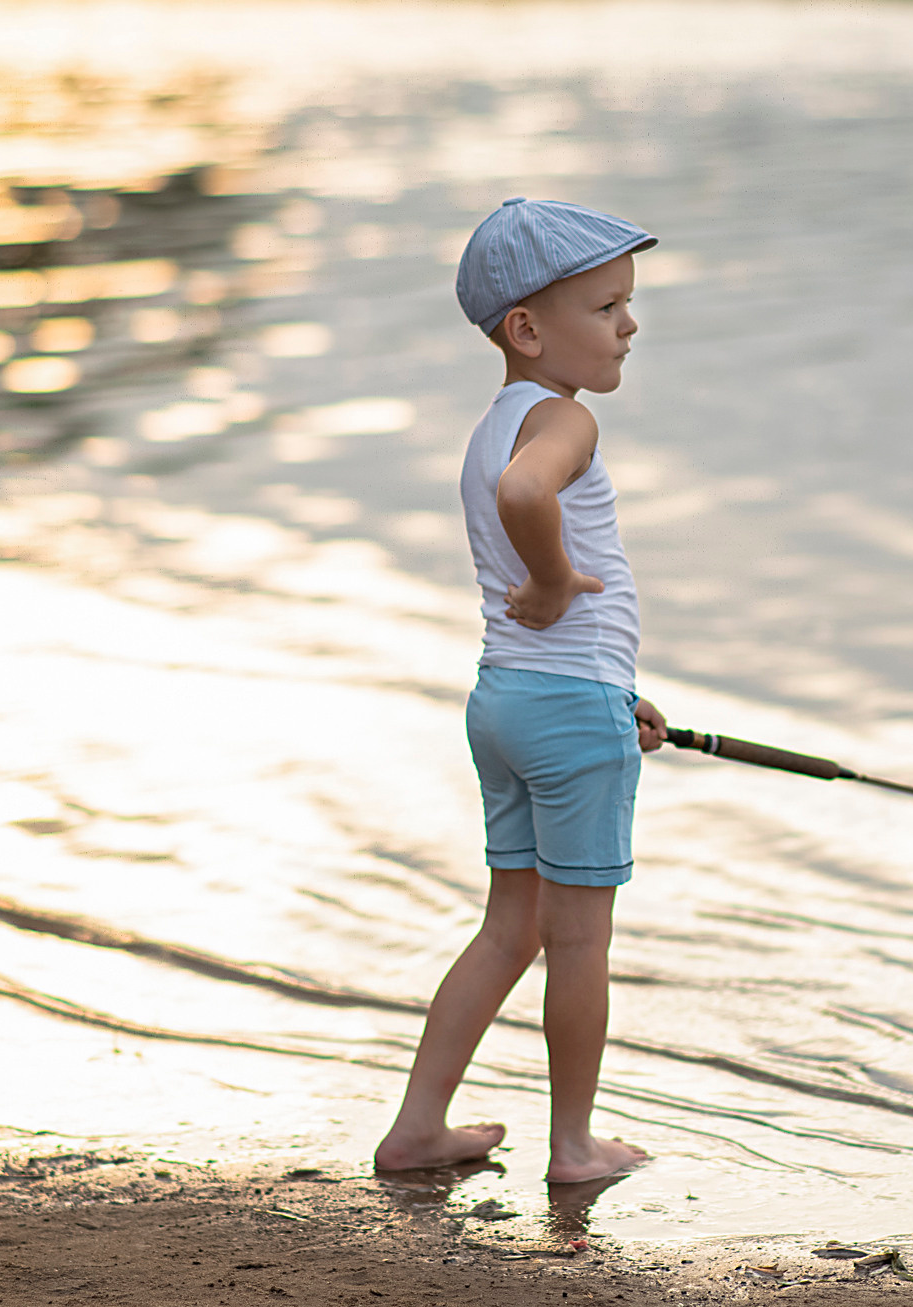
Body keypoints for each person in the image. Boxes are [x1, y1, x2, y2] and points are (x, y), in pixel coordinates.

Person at [374, 197, 664, 1184]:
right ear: (528, 330)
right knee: (578, 941)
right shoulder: (564, 420)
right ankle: (573, 1145)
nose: (628, 324)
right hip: (567, 711)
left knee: (509, 929)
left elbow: (521, 510)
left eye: (626, 303)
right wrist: (552, 581)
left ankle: (418, 1125)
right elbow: (527, 496)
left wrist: (618, 695)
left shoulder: (491, 426)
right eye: (605, 307)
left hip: (508, 700)